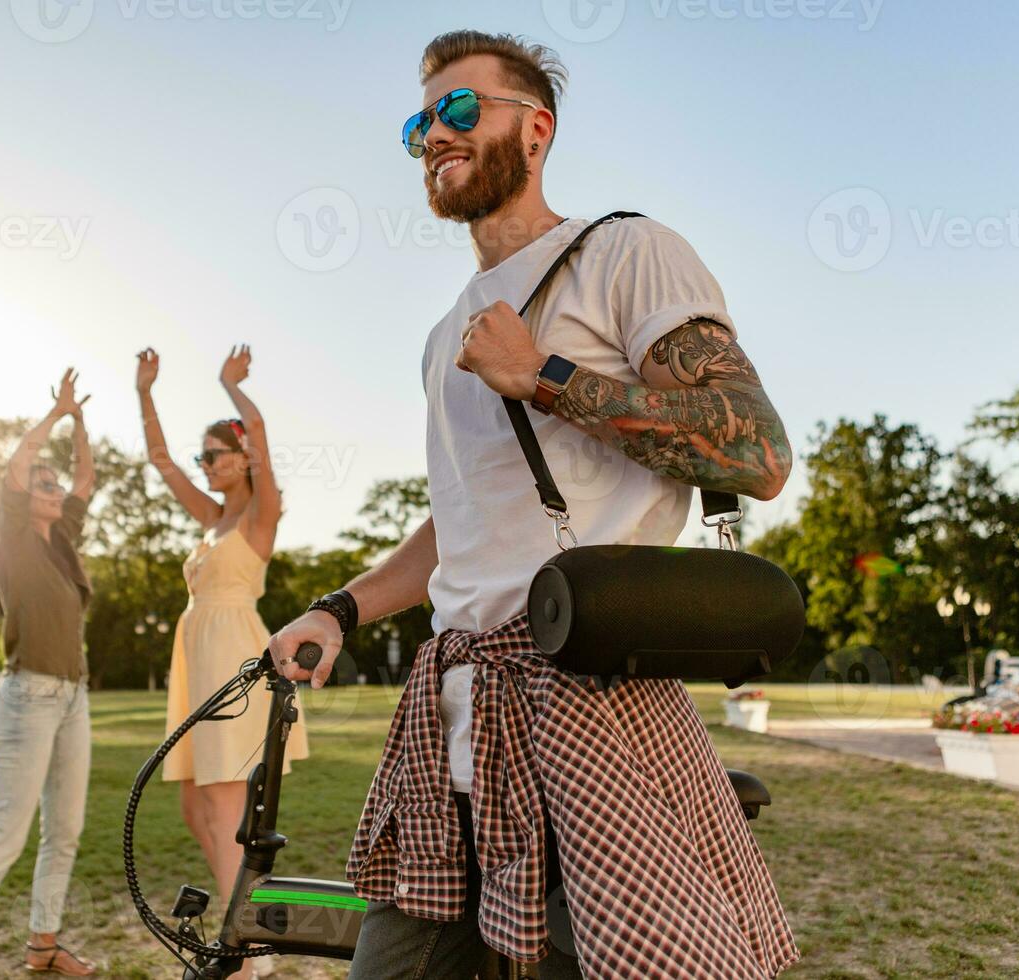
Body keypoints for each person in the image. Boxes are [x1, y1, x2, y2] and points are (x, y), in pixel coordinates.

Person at [268, 30, 800, 979]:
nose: (436, 132)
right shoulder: (445, 337)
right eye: (419, 122)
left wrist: (541, 374)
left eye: (461, 110)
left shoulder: (626, 252)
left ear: (537, 128)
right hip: (453, 713)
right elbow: (458, 523)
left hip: (588, 702)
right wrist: (339, 608)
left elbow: (755, 451)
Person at [139, 343, 308, 980]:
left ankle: (243, 950)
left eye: (213, 455)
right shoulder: (210, 518)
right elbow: (159, 462)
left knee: (223, 807)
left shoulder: (261, 516)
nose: (203, 465)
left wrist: (227, 385)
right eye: (201, 457)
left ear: (242, 460)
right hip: (196, 656)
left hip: (234, 655)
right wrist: (145, 393)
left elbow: (259, 430)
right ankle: (244, 930)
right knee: (193, 808)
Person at [0, 369, 98, 979]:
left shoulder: (63, 540)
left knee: (64, 834)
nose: (56, 487)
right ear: (22, 495)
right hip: (26, 698)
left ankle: (43, 948)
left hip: (73, 699)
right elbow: (17, 466)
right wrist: (55, 414)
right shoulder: (10, 536)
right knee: (3, 838)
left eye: (54, 483)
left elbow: (85, 477)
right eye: (44, 483)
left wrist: (81, 423)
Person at [963, 639, 1019, 718]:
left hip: (1017, 702)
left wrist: (1010, 686)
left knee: (983, 711)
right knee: (972, 706)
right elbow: (1008, 685)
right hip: (1003, 697)